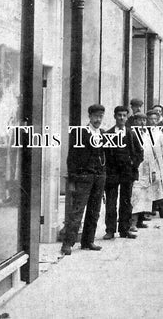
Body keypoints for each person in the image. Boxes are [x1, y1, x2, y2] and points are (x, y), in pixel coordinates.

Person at [61, 104, 107, 255]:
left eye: (100, 117)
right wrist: (73, 178)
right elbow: (72, 157)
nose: (98, 119)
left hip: (99, 177)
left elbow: (105, 157)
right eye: (95, 116)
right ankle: (68, 243)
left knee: (94, 211)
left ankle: (88, 241)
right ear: (89, 116)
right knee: (77, 212)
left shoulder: (103, 134)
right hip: (84, 177)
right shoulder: (80, 133)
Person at [103, 106, 143, 241]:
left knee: (126, 202)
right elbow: (105, 155)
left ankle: (124, 230)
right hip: (112, 173)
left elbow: (139, 153)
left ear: (127, 117)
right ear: (115, 116)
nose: (121, 118)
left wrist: (133, 164)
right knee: (111, 202)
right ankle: (110, 230)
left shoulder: (131, 134)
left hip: (127, 173)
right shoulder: (108, 134)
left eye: (124, 115)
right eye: (119, 115)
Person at [130, 112, 163, 230]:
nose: (142, 123)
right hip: (136, 169)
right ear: (135, 121)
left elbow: (151, 154)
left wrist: (153, 171)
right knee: (136, 195)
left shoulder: (147, 135)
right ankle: (132, 223)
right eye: (139, 120)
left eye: (144, 121)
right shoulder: (131, 133)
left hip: (147, 169)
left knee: (146, 195)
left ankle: (140, 220)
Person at [147, 110, 163, 219]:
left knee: (160, 185)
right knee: (148, 186)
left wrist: (157, 155)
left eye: (155, 119)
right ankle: (148, 211)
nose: (153, 121)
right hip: (146, 163)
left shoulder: (159, 132)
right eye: (151, 119)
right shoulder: (144, 132)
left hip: (157, 161)